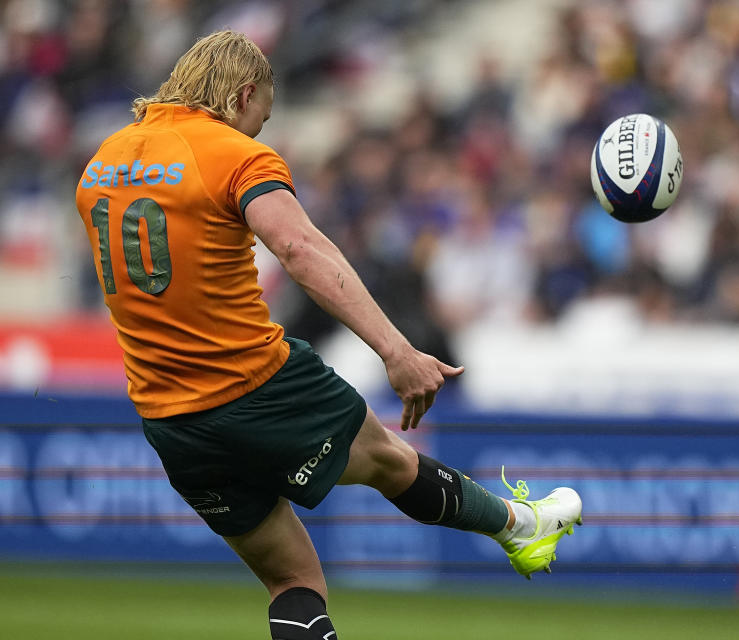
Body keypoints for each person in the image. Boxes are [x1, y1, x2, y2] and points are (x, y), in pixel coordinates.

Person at [74, 30, 582, 640]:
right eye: (262, 114)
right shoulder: (233, 155)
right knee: (392, 460)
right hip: (255, 381)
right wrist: (396, 351)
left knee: (293, 581)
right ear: (242, 95)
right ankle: (519, 527)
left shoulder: (102, 162)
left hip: (169, 418)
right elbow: (297, 246)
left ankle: (518, 526)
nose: (260, 130)